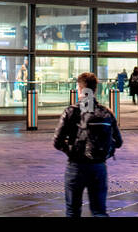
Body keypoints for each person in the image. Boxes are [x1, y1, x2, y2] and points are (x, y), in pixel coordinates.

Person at [53, 72, 123, 217]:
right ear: (95, 89)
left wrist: (70, 151)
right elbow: (119, 142)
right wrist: (104, 151)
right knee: (99, 211)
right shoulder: (106, 112)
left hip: (76, 166)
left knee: (73, 211)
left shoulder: (71, 111)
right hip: (98, 166)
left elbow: (57, 141)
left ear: (79, 89)